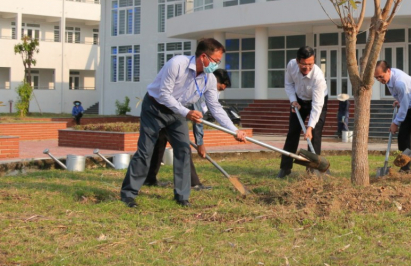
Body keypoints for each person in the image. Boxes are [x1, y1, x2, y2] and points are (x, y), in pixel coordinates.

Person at [120, 38, 247, 208]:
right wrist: (187, 112)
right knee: (145, 151)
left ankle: (182, 196)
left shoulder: (209, 78)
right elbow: (164, 95)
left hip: (178, 112)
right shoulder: (177, 64)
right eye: (215, 61)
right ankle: (128, 194)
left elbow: (215, 107)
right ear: (203, 57)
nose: (216, 65)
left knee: (183, 151)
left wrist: (234, 130)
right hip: (155, 108)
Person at [144, 69, 232, 191]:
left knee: (161, 143)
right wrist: (200, 142)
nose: (217, 92)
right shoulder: (202, 87)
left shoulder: (208, 90)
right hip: (165, 111)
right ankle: (193, 183)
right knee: (182, 147)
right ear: (214, 81)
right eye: (219, 88)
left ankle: (149, 178)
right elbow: (198, 118)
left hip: (174, 112)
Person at [278, 46, 328, 178]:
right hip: (299, 99)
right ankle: (285, 168)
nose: (307, 67)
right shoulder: (291, 65)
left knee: (315, 134)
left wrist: (310, 127)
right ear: (297, 61)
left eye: (310, 64)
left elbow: (317, 105)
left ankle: (313, 170)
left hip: (317, 101)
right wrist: (293, 100)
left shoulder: (318, 77)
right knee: (292, 132)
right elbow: (288, 84)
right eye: (304, 64)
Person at [374, 60, 411, 174]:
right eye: (377, 78)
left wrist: (395, 123)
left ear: (388, 71)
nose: (379, 80)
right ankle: (405, 167)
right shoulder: (391, 77)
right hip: (409, 106)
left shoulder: (400, 82)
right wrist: (400, 100)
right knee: (403, 137)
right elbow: (404, 99)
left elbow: (404, 107)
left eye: (381, 77)